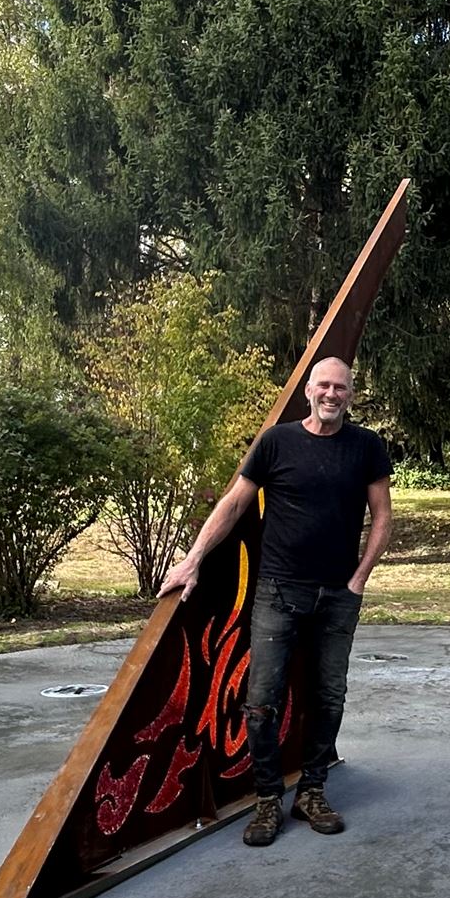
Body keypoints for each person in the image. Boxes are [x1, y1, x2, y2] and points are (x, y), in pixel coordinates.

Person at [162, 355, 392, 846]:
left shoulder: (366, 447)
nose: (332, 395)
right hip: (278, 592)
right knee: (261, 703)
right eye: (324, 386)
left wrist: (359, 579)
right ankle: (268, 799)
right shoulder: (276, 442)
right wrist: (195, 559)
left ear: (351, 394)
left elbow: (382, 517)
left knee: (329, 698)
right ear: (309, 390)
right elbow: (234, 504)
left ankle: (311, 790)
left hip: (338, 596)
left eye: (342, 388)